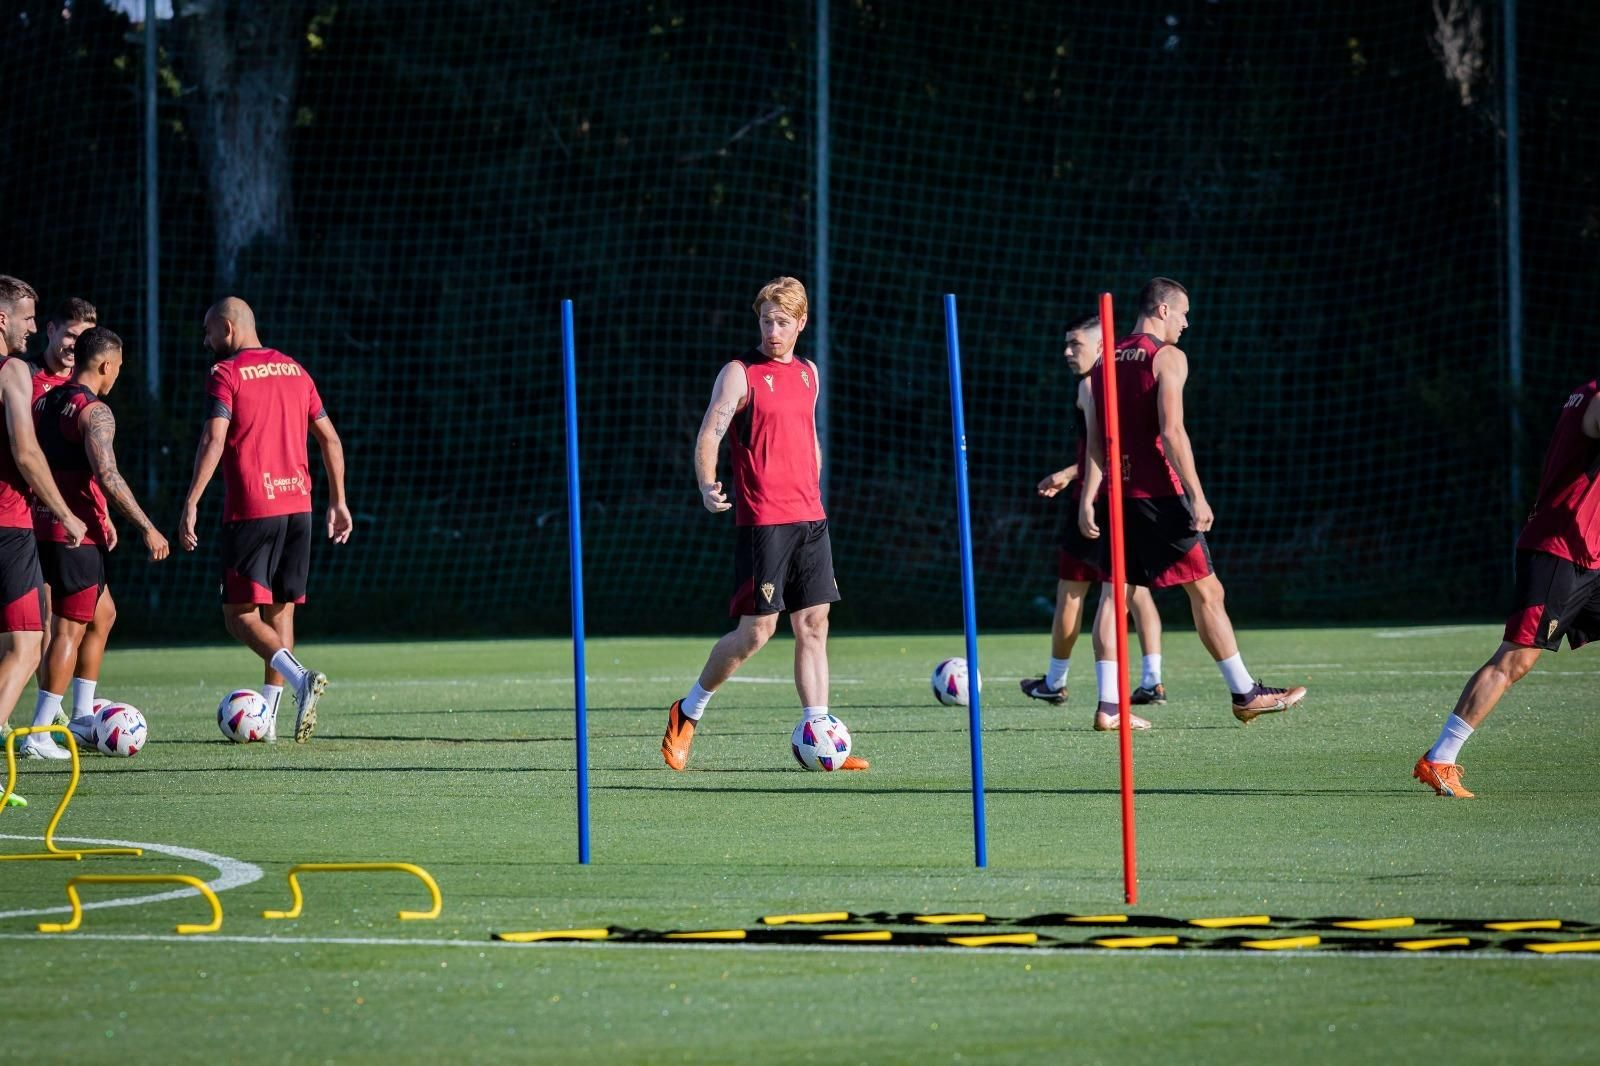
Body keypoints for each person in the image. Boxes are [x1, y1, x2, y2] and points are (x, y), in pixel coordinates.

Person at [1078, 277, 1306, 726]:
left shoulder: (1104, 361)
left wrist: (1094, 494)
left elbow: (1095, 439)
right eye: (1183, 313)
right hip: (1160, 495)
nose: (1186, 324)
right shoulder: (1166, 357)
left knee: (1112, 596)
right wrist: (1197, 494)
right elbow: (1172, 431)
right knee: (1207, 590)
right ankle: (1245, 692)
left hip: (1116, 495)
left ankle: (1109, 707)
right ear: (1163, 310)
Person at [661, 277, 865, 771]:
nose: (771, 331)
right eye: (765, 320)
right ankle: (688, 712)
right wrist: (708, 485)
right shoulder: (740, 372)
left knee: (814, 626)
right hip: (764, 521)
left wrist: (811, 490)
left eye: (781, 322)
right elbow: (712, 429)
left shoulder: (809, 373)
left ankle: (821, 734)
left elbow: (808, 439)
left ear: (801, 323)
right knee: (756, 632)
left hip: (810, 519)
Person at [1415, 378, 1600, 798]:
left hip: (1589, 554)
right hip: (1557, 554)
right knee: (1514, 660)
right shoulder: (1594, 399)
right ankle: (1439, 758)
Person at [178, 297, 350, 743]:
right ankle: (269, 719)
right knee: (280, 609)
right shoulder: (296, 370)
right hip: (300, 505)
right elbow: (330, 439)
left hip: (254, 508)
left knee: (238, 616)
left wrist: (192, 499)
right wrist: (339, 501)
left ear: (228, 329)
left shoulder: (226, 373)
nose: (205, 340)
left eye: (208, 331)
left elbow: (214, 437)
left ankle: (299, 679)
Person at [23, 327, 169, 755]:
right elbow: (108, 474)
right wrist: (147, 526)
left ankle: (83, 718)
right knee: (69, 629)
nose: (118, 375)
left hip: (41, 526)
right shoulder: (95, 411)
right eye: (118, 368)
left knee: (103, 615)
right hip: (76, 535)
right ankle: (39, 731)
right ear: (106, 366)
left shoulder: (44, 400)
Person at [1021, 312, 1168, 727]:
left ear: (1102, 347)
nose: (1068, 352)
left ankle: (1071, 687)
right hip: (1114, 499)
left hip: (1103, 503)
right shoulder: (1112, 383)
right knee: (1132, 593)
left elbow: (1103, 453)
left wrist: (1083, 492)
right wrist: (1071, 474)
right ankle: (1150, 680)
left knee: (1085, 595)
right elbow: (1101, 448)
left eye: (1076, 345)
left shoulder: (1093, 384)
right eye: (1066, 345)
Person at [0, 275, 89, 767]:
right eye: (29, 318)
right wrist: (65, 513)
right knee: (27, 645)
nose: (32, 329)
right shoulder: (12, 370)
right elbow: (26, 452)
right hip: (8, 524)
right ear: (3, 319)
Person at [33, 297, 97, 400]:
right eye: (70, 336)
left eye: (83, 338)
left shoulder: (86, 383)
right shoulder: (24, 375)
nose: (75, 347)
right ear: (51, 330)